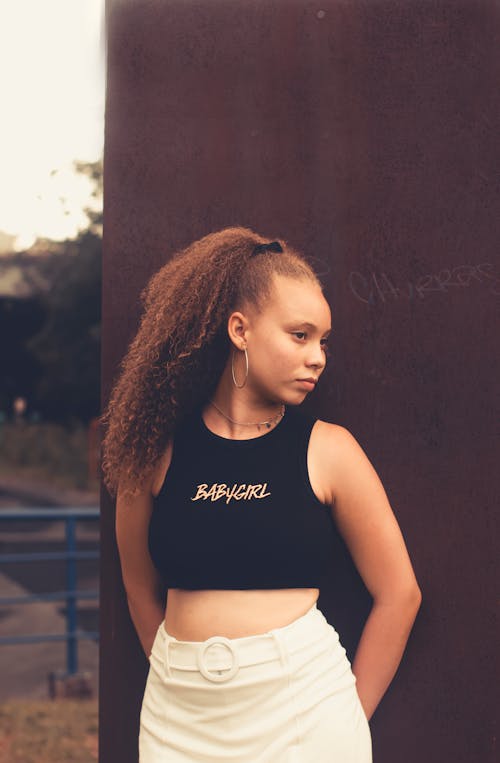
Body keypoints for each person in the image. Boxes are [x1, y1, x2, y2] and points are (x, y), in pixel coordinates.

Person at [100, 226, 422, 762]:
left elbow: (400, 594)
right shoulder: (154, 449)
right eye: (300, 336)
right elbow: (139, 588)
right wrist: (178, 676)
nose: (317, 356)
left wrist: (345, 714)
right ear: (240, 330)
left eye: (323, 341)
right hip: (177, 717)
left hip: (303, 705)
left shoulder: (329, 450)